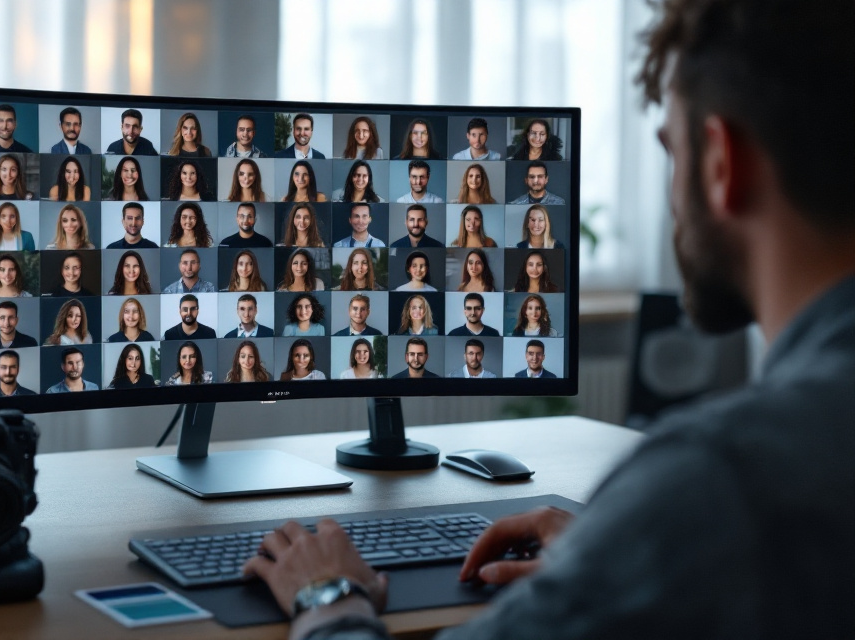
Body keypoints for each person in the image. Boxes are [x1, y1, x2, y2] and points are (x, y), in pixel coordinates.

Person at [245, 5, 855, 637]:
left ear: (721, 162)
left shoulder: (716, 480)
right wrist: (612, 554)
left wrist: (328, 593)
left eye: (672, 152)